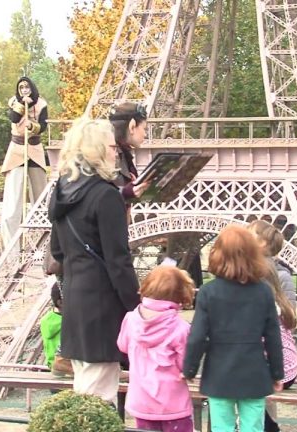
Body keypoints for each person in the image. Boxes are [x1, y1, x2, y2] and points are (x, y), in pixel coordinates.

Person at [46, 118, 141, 404]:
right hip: (103, 305)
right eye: (111, 147)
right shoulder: (105, 196)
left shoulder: (62, 193)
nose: (116, 153)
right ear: (97, 150)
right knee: (99, 396)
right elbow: (119, 261)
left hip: (75, 300)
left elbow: (58, 251)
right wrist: (135, 305)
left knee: (85, 386)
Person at [183, 225, 284, 432]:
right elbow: (273, 337)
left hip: (219, 372)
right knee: (253, 427)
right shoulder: (263, 291)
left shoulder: (208, 292)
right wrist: (276, 373)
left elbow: (198, 337)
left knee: (221, 427)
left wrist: (189, 369)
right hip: (254, 372)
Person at [117, 265, 196, 432]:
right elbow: (186, 364)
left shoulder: (130, 319)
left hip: (141, 400)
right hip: (173, 404)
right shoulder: (180, 328)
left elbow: (122, 346)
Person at [247, 220, 297, 432]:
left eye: (249, 233)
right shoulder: (246, 271)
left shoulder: (278, 276)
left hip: (267, 359)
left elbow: (287, 320)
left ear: (262, 242)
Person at [0, 76, 49, 249]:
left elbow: (43, 125)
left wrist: (32, 127)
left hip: (34, 150)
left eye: (27, 87)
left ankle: (43, 246)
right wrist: (22, 104)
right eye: (21, 88)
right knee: (12, 206)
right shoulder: (14, 101)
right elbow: (13, 118)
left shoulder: (42, 104)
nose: (24, 90)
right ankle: (11, 250)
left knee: (41, 200)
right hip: (17, 150)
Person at [247, 220, 297, 309]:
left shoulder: (281, 276)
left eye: (248, 235)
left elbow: (288, 316)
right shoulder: (240, 271)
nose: (242, 238)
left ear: (263, 242)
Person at [108, 101, 151, 203]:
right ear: (132, 126)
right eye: (144, 129)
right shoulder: (111, 156)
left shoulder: (122, 153)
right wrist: (125, 193)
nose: (145, 134)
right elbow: (97, 198)